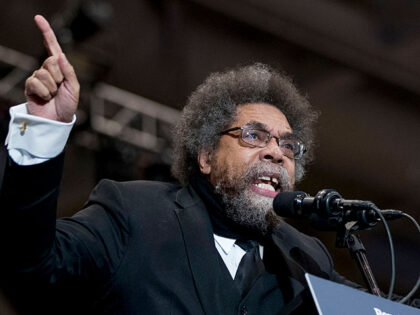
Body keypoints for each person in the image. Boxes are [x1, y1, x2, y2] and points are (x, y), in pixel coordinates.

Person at [0, 15, 412, 315]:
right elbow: (32, 267)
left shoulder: (304, 256)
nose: (276, 152)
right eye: (254, 135)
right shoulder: (134, 213)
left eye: (288, 145)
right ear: (205, 156)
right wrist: (42, 131)